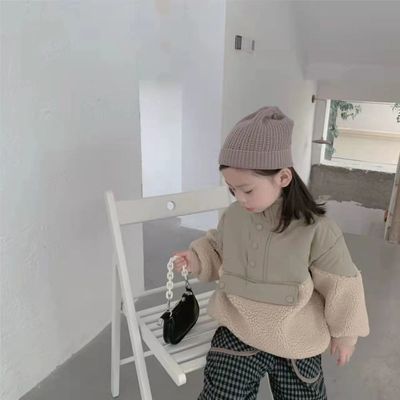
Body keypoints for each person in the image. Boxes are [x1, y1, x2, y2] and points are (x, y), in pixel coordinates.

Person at [173, 106, 369, 400]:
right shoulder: (234, 217)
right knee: (221, 395)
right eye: (232, 190)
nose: (240, 199)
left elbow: (342, 285)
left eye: (247, 190)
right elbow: (218, 247)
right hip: (240, 328)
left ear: (283, 178)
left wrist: (345, 335)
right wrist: (196, 259)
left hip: (297, 336)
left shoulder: (317, 229)